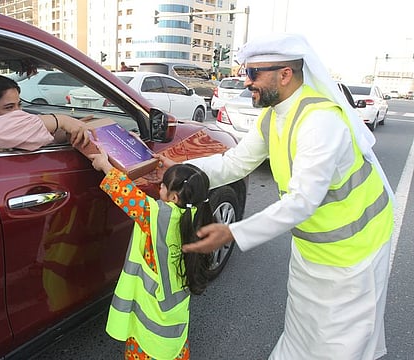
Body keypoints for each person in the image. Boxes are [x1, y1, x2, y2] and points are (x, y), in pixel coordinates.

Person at [158, 33, 395, 360]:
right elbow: (236, 162)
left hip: (356, 254)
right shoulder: (274, 116)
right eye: (245, 72)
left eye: (254, 74)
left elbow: (302, 201)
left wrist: (233, 232)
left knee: (340, 346)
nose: (246, 82)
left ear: (285, 74)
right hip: (312, 248)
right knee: (302, 331)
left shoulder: (320, 122)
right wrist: (183, 167)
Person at [89, 148, 213, 360]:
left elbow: (126, 193)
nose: (159, 187)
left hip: (149, 330)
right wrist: (175, 170)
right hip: (175, 323)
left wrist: (104, 164)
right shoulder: (197, 214)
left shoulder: (157, 216)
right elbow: (190, 186)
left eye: (163, 186)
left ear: (173, 197)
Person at [0, 73, 92, 151]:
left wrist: (68, 132)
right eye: (9, 107)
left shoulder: (16, 128)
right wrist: (61, 120)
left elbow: (38, 136)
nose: (18, 112)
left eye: (19, 105)